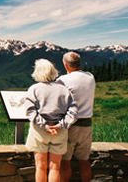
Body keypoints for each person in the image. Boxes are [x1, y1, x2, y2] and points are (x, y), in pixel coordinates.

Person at [25, 59, 78, 182]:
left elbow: (30, 111)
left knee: (40, 167)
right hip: (59, 132)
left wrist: (45, 126)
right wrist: (59, 126)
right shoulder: (64, 90)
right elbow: (73, 113)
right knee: (55, 168)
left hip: (39, 132)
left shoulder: (34, 89)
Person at [57, 52, 96, 182]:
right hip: (87, 124)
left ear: (65, 65)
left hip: (70, 124)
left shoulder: (62, 80)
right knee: (84, 160)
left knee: (65, 160)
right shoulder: (90, 77)